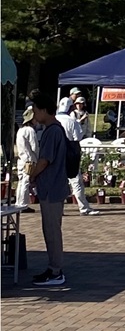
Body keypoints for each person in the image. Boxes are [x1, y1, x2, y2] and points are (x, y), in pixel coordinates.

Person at [27, 92, 69, 286]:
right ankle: (54, 268)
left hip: (52, 188)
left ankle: (56, 271)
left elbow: (44, 160)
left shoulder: (52, 131)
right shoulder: (55, 129)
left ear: (44, 110)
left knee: (52, 231)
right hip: (53, 187)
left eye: (35, 110)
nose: (34, 114)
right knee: (50, 230)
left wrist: (33, 175)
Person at [54, 98, 99, 217]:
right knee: (76, 182)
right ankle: (83, 208)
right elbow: (77, 137)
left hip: (55, 154)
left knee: (58, 182)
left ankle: (59, 208)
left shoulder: (54, 119)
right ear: (70, 108)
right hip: (69, 153)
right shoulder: (71, 121)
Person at [14, 107, 41, 208]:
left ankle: (19, 202)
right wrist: (38, 158)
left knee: (21, 182)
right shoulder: (30, 130)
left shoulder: (20, 130)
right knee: (26, 182)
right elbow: (34, 147)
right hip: (29, 160)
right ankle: (23, 204)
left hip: (21, 159)